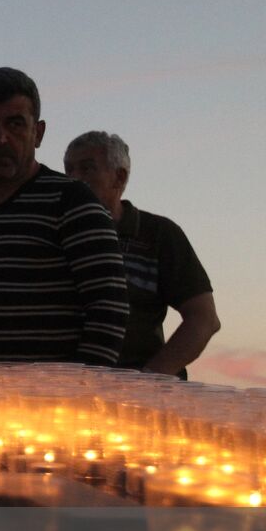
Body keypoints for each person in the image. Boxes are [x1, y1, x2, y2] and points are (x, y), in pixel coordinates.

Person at [0, 68, 128, 364]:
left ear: (38, 133)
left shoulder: (71, 201)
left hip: (49, 406)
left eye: (15, 124)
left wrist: (80, 394)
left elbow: (108, 308)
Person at [64, 131, 218, 378]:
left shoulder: (158, 234)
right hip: (63, 392)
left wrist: (149, 379)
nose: (73, 179)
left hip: (137, 399)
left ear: (119, 177)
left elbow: (203, 318)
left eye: (87, 169)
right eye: (69, 170)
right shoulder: (57, 232)